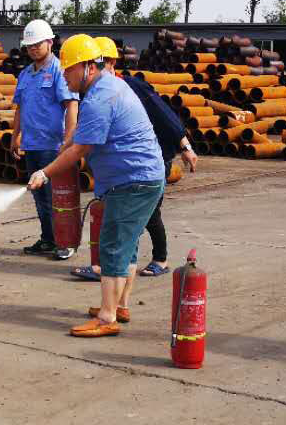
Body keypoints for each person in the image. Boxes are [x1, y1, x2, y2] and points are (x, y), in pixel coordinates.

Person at [27, 35, 169, 338]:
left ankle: (106, 318)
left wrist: (44, 173)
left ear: (88, 67)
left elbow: (80, 151)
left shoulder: (99, 98)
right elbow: (83, 136)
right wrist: (71, 140)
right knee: (125, 246)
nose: (64, 77)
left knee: (112, 248)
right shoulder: (109, 87)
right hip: (141, 178)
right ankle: (120, 306)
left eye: (68, 71)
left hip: (133, 182)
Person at [70, 36, 196, 282]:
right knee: (122, 220)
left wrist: (185, 146)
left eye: (103, 61)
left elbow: (164, 115)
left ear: (112, 62)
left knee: (147, 215)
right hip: (122, 168)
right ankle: (114, 269)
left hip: (149, 159)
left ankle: (160, 258)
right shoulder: (95, 92)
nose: (98, 66)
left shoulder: (130, 86)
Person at [12, 19, 79, 260]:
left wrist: (69, 140)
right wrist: (15, 136)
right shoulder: (25, 75)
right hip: (32, 145)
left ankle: (66, 242)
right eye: (29, 45)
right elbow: (19, 107)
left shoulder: (60, 72)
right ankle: (49, 239)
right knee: (40, 198)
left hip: (53, 147)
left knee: (58, 196)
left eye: (37, 44)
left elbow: (71, 105)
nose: (32, 49)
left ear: (50, 42)